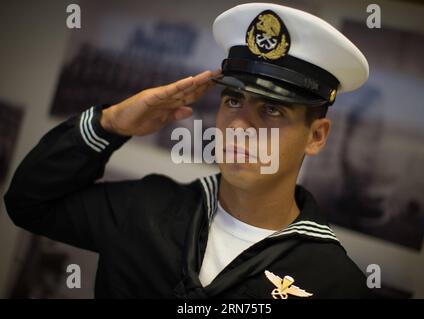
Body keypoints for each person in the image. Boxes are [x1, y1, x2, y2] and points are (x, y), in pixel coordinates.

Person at [4, 3, 371, 298]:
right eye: (233, 100)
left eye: (272, 109)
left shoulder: (337, 283)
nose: (240, 126)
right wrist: (111, 123)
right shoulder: (146, 209)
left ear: (317, 136)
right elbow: (29, 203)